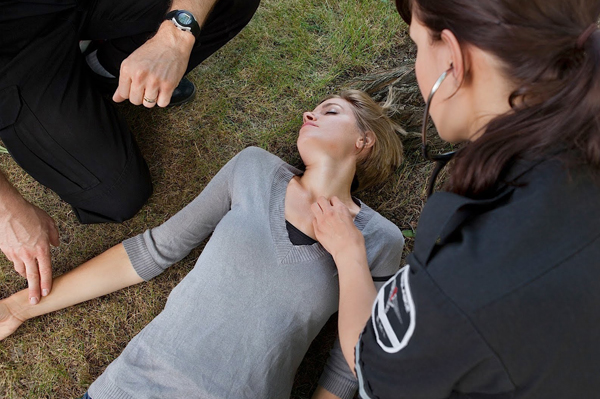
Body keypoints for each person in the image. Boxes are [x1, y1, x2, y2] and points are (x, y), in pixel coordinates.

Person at [0, 90, 406, 399]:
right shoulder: (254, 170)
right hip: (135, 386)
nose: (309, 113)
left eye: (331, 111)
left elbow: (349, 361)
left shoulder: (378, 239)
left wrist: (348, 249)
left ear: (363, 142)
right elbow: (152, 251)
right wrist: (19, 307)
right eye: (315, 108)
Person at [312, 1, 600, 398]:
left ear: (451, 56)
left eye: (416, 45)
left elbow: (374, 365)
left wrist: (348, 250)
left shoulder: (460, 281)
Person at [0, 0, 260, 307]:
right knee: (117, 194)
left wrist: (177, 33)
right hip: (10, 50)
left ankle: (104, 71)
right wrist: (5, 212)